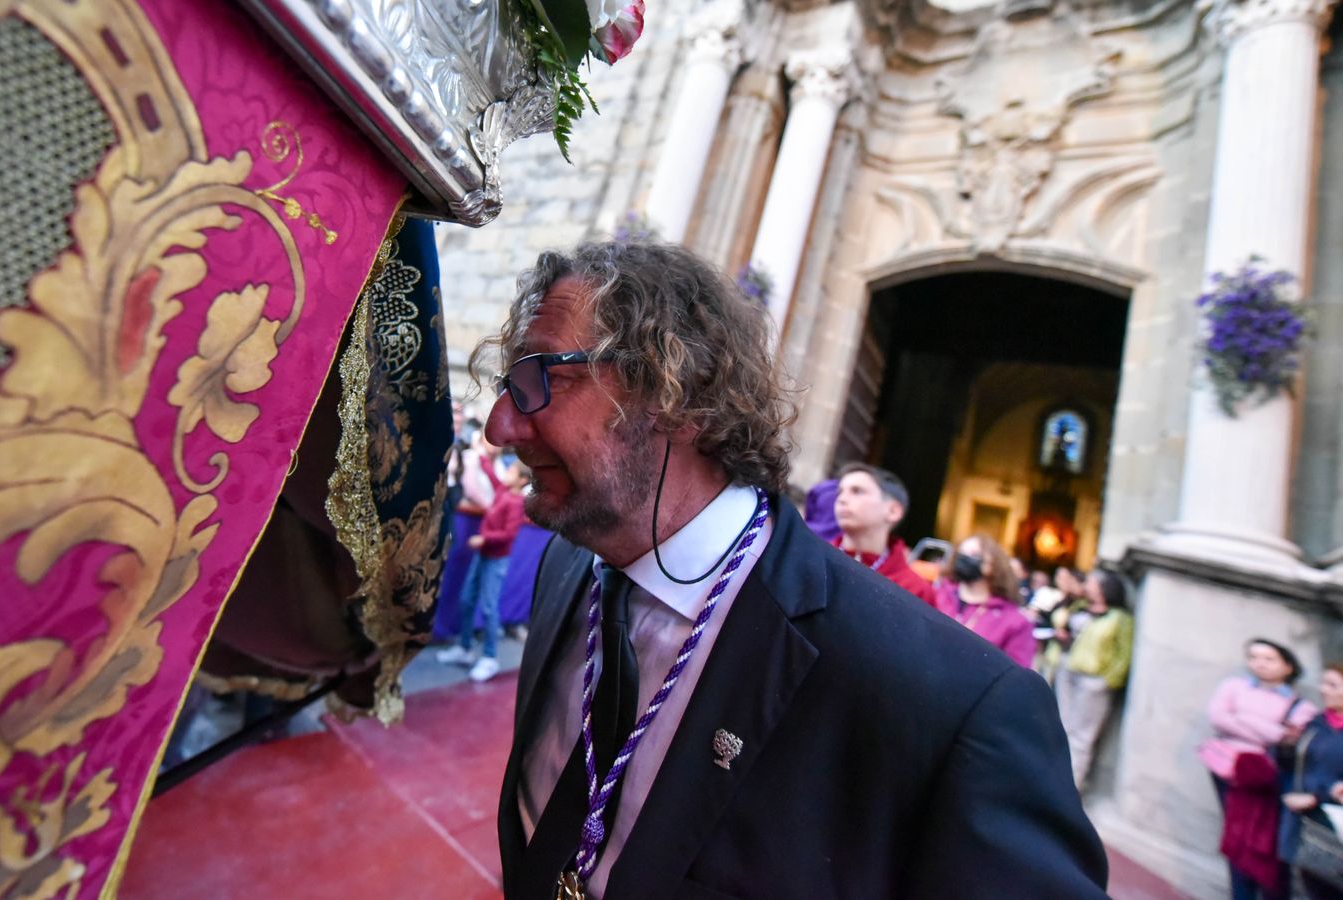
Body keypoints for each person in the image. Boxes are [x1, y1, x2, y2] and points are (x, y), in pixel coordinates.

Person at [481, 240, 1106, 898]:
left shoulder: (952, 710)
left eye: (538, 377)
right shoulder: (565, 564)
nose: (501, 427)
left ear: (675, 389)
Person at [1201, 638, 1318, 900]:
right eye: (1254, 657)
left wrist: (1241, 719)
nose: (1259, 664)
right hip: (1226, 770)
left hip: (1264, 778)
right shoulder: (1233, 686)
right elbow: (1219, 717)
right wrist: (1273, 730)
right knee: (1235, 837)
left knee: (1262, 843)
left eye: (1269, 659)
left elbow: (1291, 738)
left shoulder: (1301, 706)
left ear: (1287, 666)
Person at [438, 465, 531, 681]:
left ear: (521, 480)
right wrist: (481, 450)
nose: (506, 473)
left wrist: (484, 538)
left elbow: (509, 535)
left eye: (511, 472)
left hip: (496, 559)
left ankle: (490, 657)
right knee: (466, 600)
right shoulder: (502, 491)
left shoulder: (516, 502)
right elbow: (489, 472)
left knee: (489, 607)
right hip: (483, 555)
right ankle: (465, 648)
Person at [1056, 568, 1134, 790]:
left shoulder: (1120, 618)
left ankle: (1069, 790)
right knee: (1062, 728)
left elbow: (1123, 655)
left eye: (1091, 582)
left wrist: (1107, 681)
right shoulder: (1080, 608)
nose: (1087, 585)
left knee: (1081, 738)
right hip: (1068, 671)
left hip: (1094, 683)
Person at [831, 463, 935, 607]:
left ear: (893, 511)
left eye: (857, 491)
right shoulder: (813, 559)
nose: (841, 499)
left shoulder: (916, 591)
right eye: (839, 492)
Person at [1280, 664, 1343, 900]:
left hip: (1335, 822)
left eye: (1333, 685)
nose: (1323, 690)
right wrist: (1287, 746)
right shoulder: (1317, 723)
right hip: (1309, 823)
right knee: (1314, 888)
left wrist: (1319, 795)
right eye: (1323, 683)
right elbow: (1300, 766)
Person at [934, 533, 1037, 667]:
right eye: (962, 553)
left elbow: (1016, 675)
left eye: (974, 554)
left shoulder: (1015, 621)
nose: (965, 558)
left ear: (992, 565)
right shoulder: (938, 596)